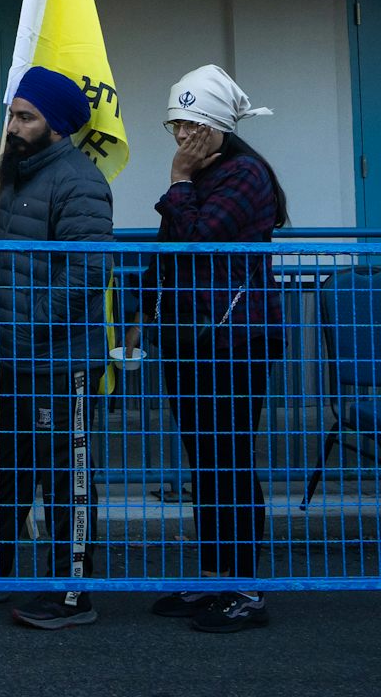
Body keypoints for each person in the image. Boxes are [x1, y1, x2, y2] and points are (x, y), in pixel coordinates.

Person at [0, 66, 113, 630]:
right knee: (11, 465)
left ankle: (72, 591)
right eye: (11, 115)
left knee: (66, 475)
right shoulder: (16, 175)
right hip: (20, 354)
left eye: (26, 117)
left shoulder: (78, 181)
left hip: (62, 360)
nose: (13, 127)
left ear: (57, 126)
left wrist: (29, 326)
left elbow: (88, 273)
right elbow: (9, 258)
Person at [135, 65, 285, 634]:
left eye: (194, 125)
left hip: (237, 338)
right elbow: (168, 251)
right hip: (189, 336)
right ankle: (216, 573)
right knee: (207, 458)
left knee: (229, 456)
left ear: (221, 124)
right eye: (176, 125)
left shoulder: (244, 175)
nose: (183, 137)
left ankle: (244, 586)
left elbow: (200, 239)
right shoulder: (201, 174)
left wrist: (177, 179)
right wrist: (140, 311)